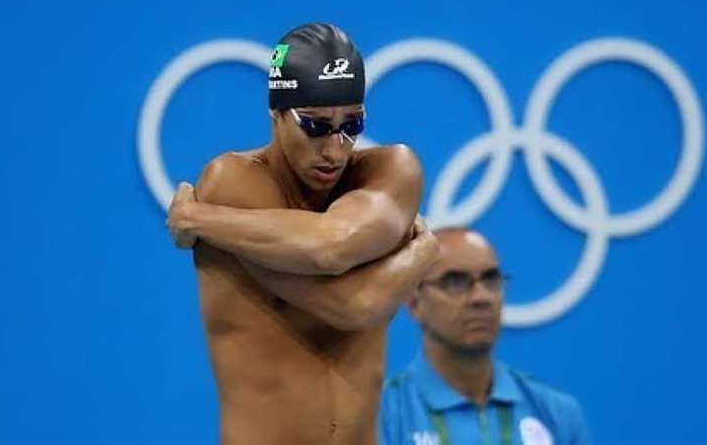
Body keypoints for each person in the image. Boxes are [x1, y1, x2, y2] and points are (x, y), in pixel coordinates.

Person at [166, 22, 440, 445]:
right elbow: (350, 297)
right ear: (276, 115)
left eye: (352, 124)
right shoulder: (232, 184)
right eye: (315, 127)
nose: (335, 149)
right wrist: (421, 251)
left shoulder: (391, 171)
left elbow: (335, 249)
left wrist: (197, 219)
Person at [381, 227, 591, 445]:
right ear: (414, 303)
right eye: (455, 282)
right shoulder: (381, 415)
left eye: (491, 280)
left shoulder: (557, 413)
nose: (481, 298)